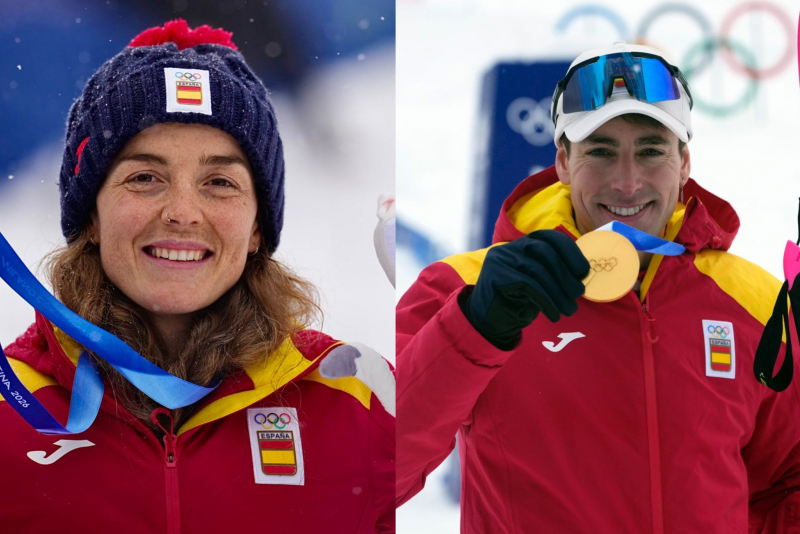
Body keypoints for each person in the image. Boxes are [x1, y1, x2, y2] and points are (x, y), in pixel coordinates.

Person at [0, 19, 394, 533]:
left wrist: (441, 336)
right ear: (91, 218)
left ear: (258, 227)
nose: (183, 211)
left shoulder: (356, 400)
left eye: (219, 181)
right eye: (145, 177)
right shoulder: (10, 407)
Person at [396, 42, 800, 533]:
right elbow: (379, 468)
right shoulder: (466, 290)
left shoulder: (755, 304)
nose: (627, 183)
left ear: (684, 162)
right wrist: (474, 329)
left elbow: (786, 481)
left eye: (651, 151)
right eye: (600, 153)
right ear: (563, 162)